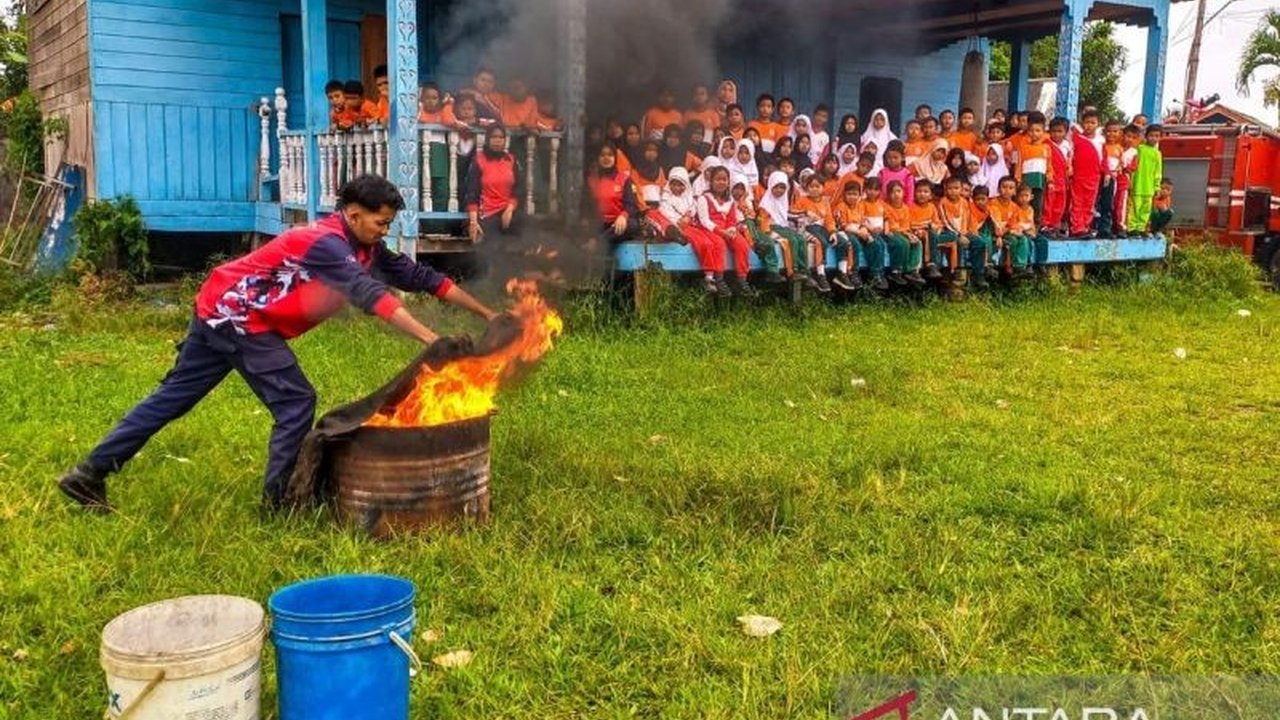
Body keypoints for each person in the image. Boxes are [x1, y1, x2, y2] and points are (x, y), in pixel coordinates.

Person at [57, 176, 497, 513]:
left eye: (389, 223)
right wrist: (431, 340)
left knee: (173, 397)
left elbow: (423, 279)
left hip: (218, 308)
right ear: (352, 214)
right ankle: (280, 502)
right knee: (295, 401)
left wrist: (488, 315)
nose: (385, 230)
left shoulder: (366, 248)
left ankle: (88, 473)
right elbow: (372, 297)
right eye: (381, 222)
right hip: (239, 317)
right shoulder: (327, 244)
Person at [686, 165, 757, 297]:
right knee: (719, 244)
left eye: (724, 180)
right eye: (718, 179)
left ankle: (741, 279)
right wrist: (721, 232)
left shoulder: (730, 200)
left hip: (726, 229)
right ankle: (718, 279)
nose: (721, 182)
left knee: (742, 245)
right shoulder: (704, 198)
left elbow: (732, 219)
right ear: (711, 181)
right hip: (710, 229)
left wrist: (731, 230)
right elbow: (705, 221)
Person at [465, 125, 522, 243]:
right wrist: (473, 222)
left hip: (507, 211)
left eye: (501, 137)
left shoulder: (511, 160)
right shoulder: (479, 160)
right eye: (494, 137)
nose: (497, 141)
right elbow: (472, 192)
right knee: (492, 246)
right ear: (487, 139)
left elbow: (518, 189)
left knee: (525, 235)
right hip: (487, 215)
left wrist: (509, 209)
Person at [758, 171, 815, 288]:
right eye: (776, 187)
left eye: (782, 187)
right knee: (792, 239)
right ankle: (793, 271)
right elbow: (764, 222)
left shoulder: (783, 201)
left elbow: (787, 214)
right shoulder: (765, 203)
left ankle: (804, 271)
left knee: (800, 239)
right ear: (771, 185)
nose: (779, 190)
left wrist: (805, 213)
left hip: (783, 226)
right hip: (772, 227)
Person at [792, 172, 840, 290]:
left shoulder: (825, 202)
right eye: (811, 186)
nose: (814, 189)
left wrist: (833, 232)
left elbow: (829, 219)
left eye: (817, 186)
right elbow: (792, 213)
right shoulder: (802, 200)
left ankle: (842, 273)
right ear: (806, 188)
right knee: (822, 242)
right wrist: (805, 214)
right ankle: (820, 273)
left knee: (843, 241)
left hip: (822, 228)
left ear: (823, 187)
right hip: (808, 227)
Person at [938, 176, 987, 287]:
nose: (953, 191)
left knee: (980, 243)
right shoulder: (943, 202)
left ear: (961, 189)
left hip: (963, 231)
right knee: (958, 242)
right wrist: (959, 234)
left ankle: (978, 274)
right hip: (949, 231)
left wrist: (966, 232)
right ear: (945, 189)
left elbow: (966, 218)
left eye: (956, 188)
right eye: (950, 188)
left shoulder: (964, 202)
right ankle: (959, 272)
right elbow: (946, 221)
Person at [590, 144, 643, 244]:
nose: (606, 158)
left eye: (610, 155)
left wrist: (623, 216)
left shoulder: (624, 179)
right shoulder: (592, 180)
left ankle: (598, 242)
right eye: (602, 155)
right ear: (598, 158)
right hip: (598, 224)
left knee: (632, 224)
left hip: (617, 224)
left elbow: (632, 205)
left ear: (615, 158)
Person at [1069, 109, 1105, 237]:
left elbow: (1104, 158)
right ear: (1082, 123)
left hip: (1094, 177)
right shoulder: (1075, 138)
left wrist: (1106, 173)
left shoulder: (1101, 140)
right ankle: (1077, 228)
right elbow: (1070, 155)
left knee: (1089, 203)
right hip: (1078, 176)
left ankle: (1086, 226)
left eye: (1093, 123)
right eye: (1087, 122)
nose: (1089, 125)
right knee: (1077, 203)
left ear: (1098, 124)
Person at [830, 181, 872, 290]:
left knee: (873, 241)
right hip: (845, 232)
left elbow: (862, 221)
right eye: (849, 194)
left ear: (859, 195)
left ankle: (875, 274)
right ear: (844, 194)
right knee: (855, 243)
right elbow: (842, 226)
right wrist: (858, 232)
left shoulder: (859, 206)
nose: (852, 197)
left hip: (858, 230)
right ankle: (853, 271)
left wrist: (863, 229)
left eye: (855, 194)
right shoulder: (841, 207)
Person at [1013, 112, 1051, 227]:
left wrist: (1050, 179)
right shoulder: (1023, 146)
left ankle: (1036, 227)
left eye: (1038, 131)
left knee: (1038, 205)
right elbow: (1019, 163)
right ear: (1028, 132)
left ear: (1043, 132)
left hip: (1040, 180)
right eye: (1031, 131)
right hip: (1026, 180)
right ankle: (1021, 225)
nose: (1034, 133)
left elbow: (1049, 165)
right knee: (1023, 203)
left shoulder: (1046, 147)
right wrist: (1018, 178)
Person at [853, 178, 891, 289]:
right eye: (869, 189)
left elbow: (886, 219)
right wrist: (871, 229)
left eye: (876, 189)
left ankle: (881, 273)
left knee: (882, 244)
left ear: (880, 191)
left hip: (880, 232)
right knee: (876, 244)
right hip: (866, 231)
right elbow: (861, 220)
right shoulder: (861, 204)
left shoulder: (882, 204)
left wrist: (886, 230)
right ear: (865, 189)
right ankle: (874, 274)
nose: (872, 192)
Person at [882, 180, 922, 286]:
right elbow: (892, 226)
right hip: (890, 232)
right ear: (888, 195)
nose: (896, 194)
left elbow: (906, 226)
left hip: (902, 232)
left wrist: (910, 235)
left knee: (917, 242)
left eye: (898, 191)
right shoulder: (886, 207)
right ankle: (896, 271)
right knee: (903, 243)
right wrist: (906, 234)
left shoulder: (905, 208)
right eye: (892, 192)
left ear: (903, 193)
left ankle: (912, 270)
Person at [1127, 124, 1164, 235]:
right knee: (1135, 207)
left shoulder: (1157, 153)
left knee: (1146, 209)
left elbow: (1158, 172)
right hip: (1137, 184)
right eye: (1151, 135)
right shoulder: (1139, 149)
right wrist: (1130, 181)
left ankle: (1141, 228)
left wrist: (1157, 187)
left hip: (1149, 187)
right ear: (1146, 136)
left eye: (1157, 136)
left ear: (1160, 138)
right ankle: (1132, 228)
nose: (1154, 138)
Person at [1094, 119, 1124, 236]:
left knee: (1108, 203)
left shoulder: (1119, 148)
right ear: (1104, 132)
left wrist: (1118, 169)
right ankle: (1093, 227)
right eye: (1109, 131)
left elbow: (1121, 163)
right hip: (1099, 176)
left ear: (1119, 133)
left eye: (1115, 131)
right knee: (1096, 201)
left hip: (1112, 179)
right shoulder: (1101, 146)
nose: (1111, 134)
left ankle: (1105, 228)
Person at [909, 182, 944, 280]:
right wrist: (924, 225)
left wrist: (932, 226)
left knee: (933, 234)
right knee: (927, 235)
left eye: (925, 192)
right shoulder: (911, 206)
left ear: (930, 195)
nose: (922, 194)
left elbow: (937, 223)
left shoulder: (932, 207)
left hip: (929, 232)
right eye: (919, 191)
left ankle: (932, 265)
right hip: (914, 232)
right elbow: (910, 223)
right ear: (914, 193)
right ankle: (928, 265)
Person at [1042, 117, 1072, 235]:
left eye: (1060, 131)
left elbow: (1069, 159)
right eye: (1054, 131)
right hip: (1051, 178)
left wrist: (1069, 167)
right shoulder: (1046, 144)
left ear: (1065, 132)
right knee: (1049, 202)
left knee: (1060, 203)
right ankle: (1046, 225)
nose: (1056, 134)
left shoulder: (1067, 145)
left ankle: (1055, 225)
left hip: (1063, 179)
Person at [1014, 182, 1051, 276]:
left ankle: (1041, 264)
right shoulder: (1015, 208)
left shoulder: (1030, 209)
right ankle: (1028, 265)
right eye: (1021, 196)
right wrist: (1026, 229)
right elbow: (1016, 223)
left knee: (1043, 241)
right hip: (1021, 232)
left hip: (1031, 231)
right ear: (1017, 197)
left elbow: (1031, 223)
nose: (1023, 198)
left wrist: (1033, 232)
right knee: (1028, 242)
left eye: (1026, 196)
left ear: (1031, 197)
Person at [968, 184, 997, 287]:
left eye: (983, 199)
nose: (980, 202)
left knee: (988, 238)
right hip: (971, 232)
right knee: (983, 241)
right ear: (973, 199)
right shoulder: (971, 208)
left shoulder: (988, 210)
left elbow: (995, 224)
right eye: (977, 199)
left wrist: (998, 236)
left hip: (983, 232)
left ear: (987, 199)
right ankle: (985, 266)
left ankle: (989, 264)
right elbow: (972, 225)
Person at [879, 142, 916, 208]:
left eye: (895, 158)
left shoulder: (907, 175)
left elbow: (910, 196)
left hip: (902, 209)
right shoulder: (882, 173)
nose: (892, 160)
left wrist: (907, 209)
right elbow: (879, 192)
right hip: (884, 207)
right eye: (889, 158)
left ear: (903, 157)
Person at [861, 109, 896, 175]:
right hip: (866, 167)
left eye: (882, 119)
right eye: (876, 119)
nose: (879, 121)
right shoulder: (865, 137)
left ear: (886, 120)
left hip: (885, 168)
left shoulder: (891, 137)